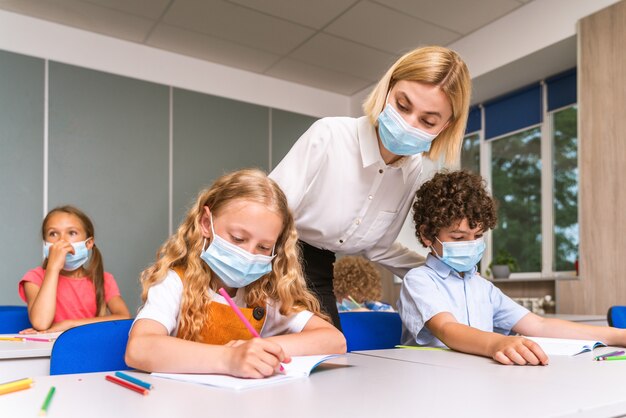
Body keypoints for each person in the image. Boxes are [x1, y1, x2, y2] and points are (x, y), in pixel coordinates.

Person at [270, 45, 471, 327]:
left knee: (329, 353)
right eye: (402, 105)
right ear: (387, 89)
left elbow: (379, 247)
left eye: (427, 120)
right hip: (271, 255)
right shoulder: (330, 136)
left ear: (446, 127)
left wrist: (438, 271)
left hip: (318, 270)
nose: (408, 123)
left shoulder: (411, 168)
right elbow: (265, 213)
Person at [125, 169, 346, 378]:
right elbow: (139, 349)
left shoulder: (263, 294)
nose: (248, 255)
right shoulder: (174, 283)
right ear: (205, 223)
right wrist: (229, 358)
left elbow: (334, 340)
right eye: (238, 239)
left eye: (263, 247)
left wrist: (261, 351)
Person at [398, 170, 626, 365]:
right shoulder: (419, 280)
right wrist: (497, 342)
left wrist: (618, 335)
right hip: (434, 379)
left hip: (476, 377)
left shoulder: (482, 287)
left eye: (477, 236)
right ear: (427, 234)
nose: (471, 244)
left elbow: (539, 325)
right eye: (458, 237)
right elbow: (447, 329)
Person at [18, 205, 130, 333]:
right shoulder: (34, 278)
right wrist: (53, 268)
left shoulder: (104, 279)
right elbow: (41, 323)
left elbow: (124, 317)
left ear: (88, 243)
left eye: (72, 233)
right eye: (53, 234)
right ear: (45, 244)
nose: (62, 241)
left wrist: (70, 325)